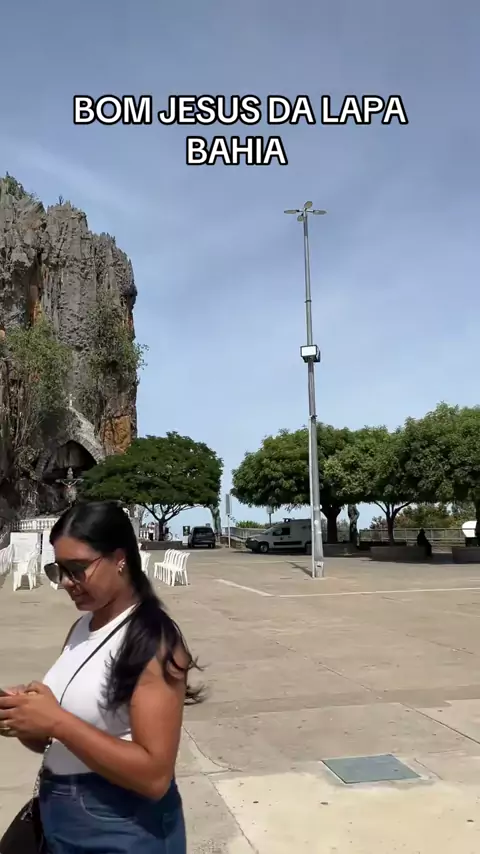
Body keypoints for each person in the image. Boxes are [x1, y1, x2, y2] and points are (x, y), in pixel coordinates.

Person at [0, 500, 201, 853]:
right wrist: (27, 720)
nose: (66, 583)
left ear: (119, 559)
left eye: (77, 569)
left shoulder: (153, 642)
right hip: (63, 819)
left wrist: (57, 721)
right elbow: (58, 741)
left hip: (120, 828)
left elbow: (154, 777)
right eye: (59, 570)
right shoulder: (82, 628)